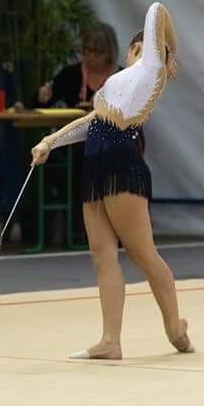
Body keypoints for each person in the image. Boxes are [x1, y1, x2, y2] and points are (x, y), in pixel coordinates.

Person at [30, 3, 193, 359]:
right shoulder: (115, 85)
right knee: (101, 254)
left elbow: (157, 10)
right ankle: (110, 341)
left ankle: (174, 328)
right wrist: (49, 143)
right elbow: (93, 122)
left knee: (142, 253)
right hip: (95, 167)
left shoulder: (149, 71)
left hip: (121, 166)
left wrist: (169, 51)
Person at [35, 23, 124, 244]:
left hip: (113, 140)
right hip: (79, 143)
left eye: (97, 52)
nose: (91, 56)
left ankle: (119, 229)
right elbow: (41, 103)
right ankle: (79, 228)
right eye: (86, 50)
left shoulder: (122, 77)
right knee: (76, 164)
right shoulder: (71, 74)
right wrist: (42, 95)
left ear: (109, 52)